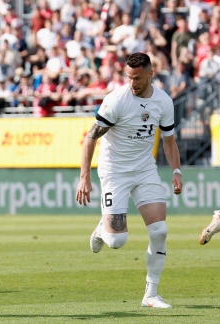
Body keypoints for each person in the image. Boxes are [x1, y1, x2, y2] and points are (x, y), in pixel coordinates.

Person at [75, 53, 183, 309]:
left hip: (145, 168)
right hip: (115, 171)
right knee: (116, 242)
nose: (132, 83)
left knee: (160, 231)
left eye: (137, 78)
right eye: (128, 77)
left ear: (150, 73)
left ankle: (151, 294)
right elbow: (91, 137)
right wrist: (84, 177)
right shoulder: (116, 101)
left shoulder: (163, 101)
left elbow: (169, 140)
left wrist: (176, 172)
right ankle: (104, 228)